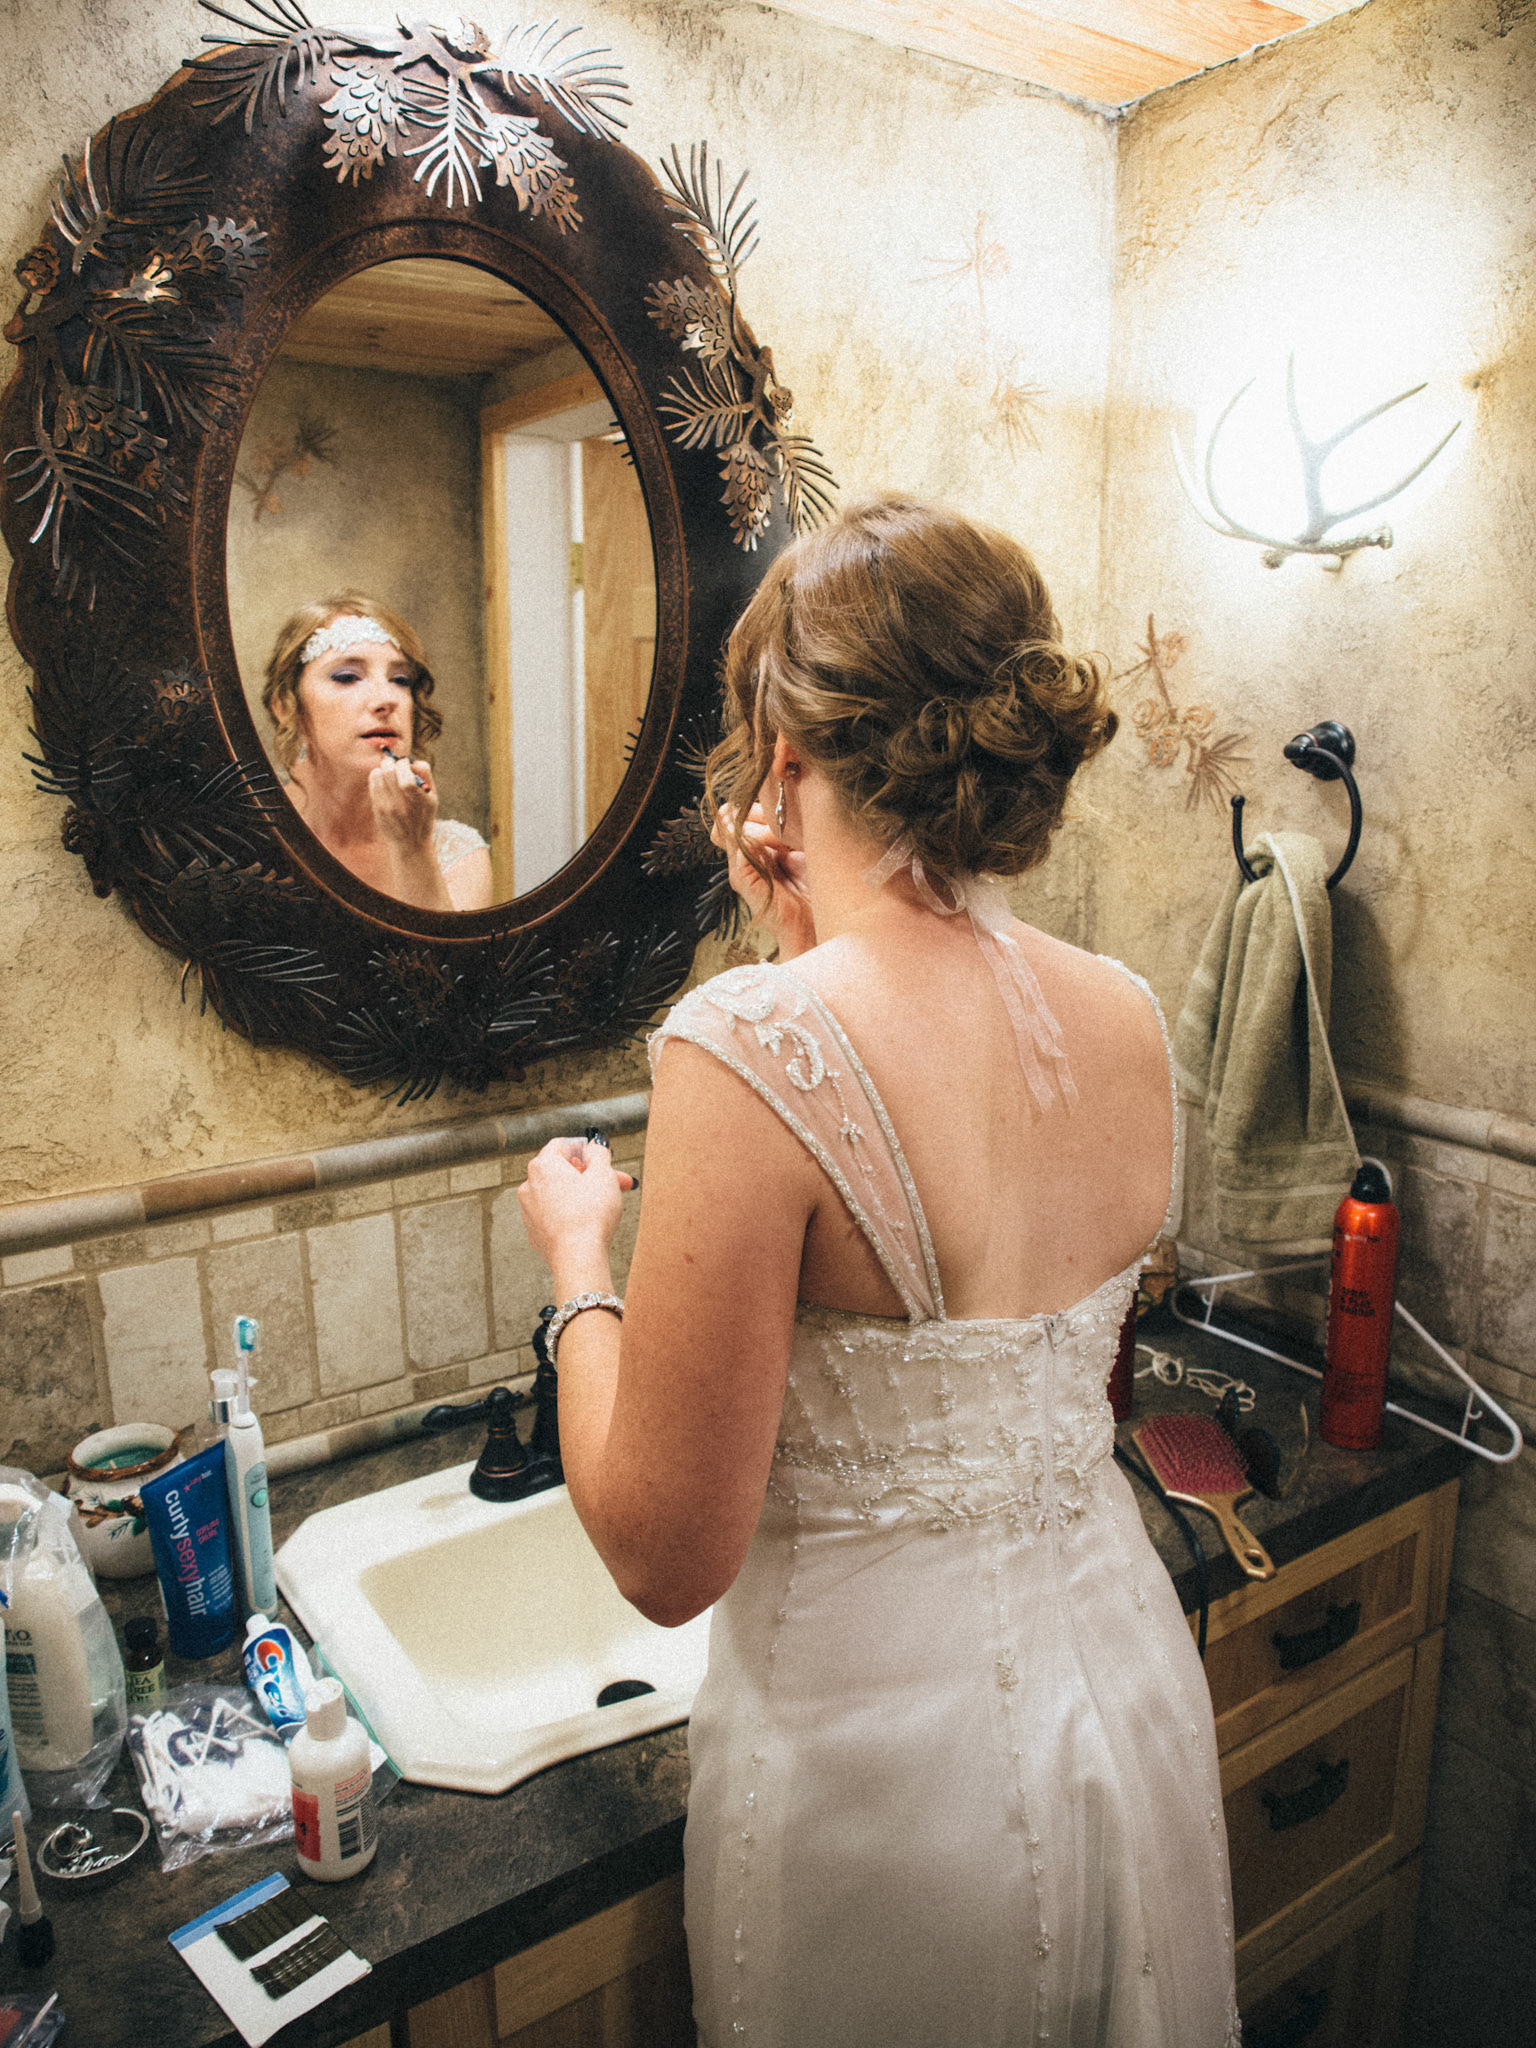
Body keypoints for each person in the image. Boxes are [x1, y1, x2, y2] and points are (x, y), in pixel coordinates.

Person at [517, 495, 1240, 2048]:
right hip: (1124, 1697)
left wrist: (580, 1270)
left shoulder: (750, 1042)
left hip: (885, 1785)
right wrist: (812, 947)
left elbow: (663, 1559)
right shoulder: (1124, 1013)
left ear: (783, 754)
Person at [262, 594, 493, 912]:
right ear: (287, 707)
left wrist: (413, 848)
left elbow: (437, 949)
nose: (387, 699)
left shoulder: (458, 855)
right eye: (347, 677)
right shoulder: (249, 834)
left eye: (400, 680)